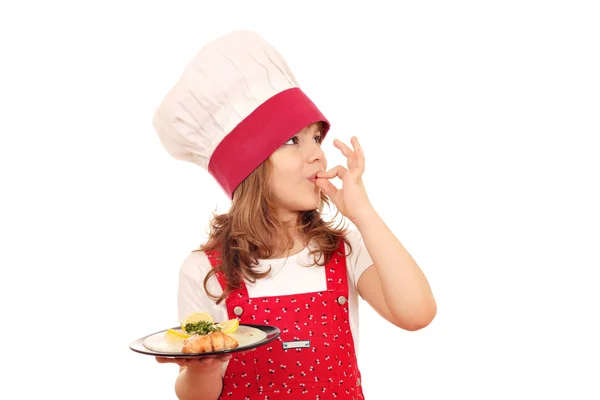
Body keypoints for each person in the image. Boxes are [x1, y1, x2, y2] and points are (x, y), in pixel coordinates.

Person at [152, 30, 436, 400]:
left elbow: (417, 313)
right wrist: (203, 368)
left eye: (316, 138)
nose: (317, 154)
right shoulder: (205, 270)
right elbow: (198, 396)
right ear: (247, 164)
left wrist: (363, 213)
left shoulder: (344, 248)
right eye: (292, 140)